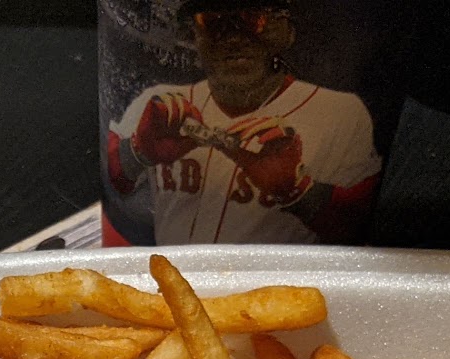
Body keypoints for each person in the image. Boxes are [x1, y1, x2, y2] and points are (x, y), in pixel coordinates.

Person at [105, 0, 381, 245]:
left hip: (277, 284)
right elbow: (116, 185)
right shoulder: (160, 104)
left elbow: (358, 227)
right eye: (213, 22)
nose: (235, 39)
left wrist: (298, 190)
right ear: (193, 36)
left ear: (284, 32)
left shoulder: (339, 112)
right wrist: (137, 152)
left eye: (253, 19)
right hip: (169, 276)